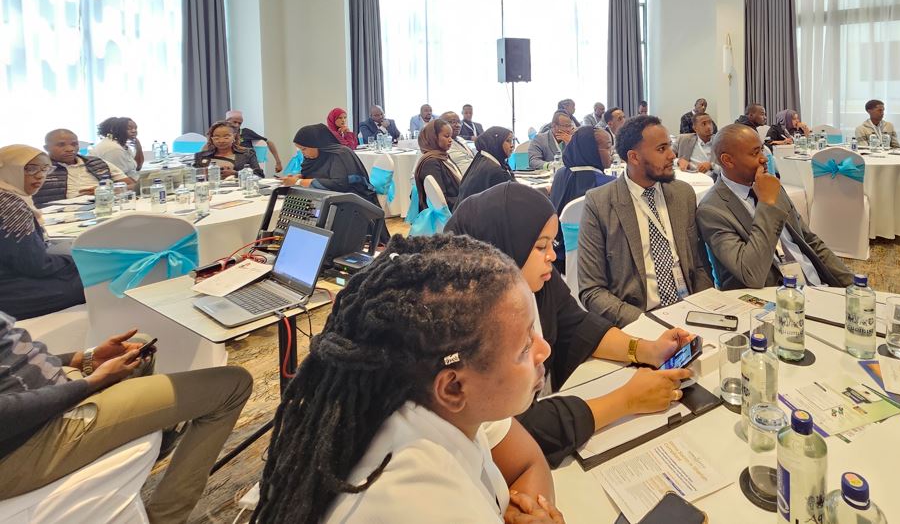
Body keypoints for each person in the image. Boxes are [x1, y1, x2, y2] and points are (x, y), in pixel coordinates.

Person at [251, 234, 562, 524]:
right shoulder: (427, 506)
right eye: (524, 347)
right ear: (452, 387)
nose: (544, 349)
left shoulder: (421, 400)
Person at [446, 184, 693, 466]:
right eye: (540, 246)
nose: (552, 256)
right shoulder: (467, 327)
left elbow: (577, 325)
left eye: (553, 244)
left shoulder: (538, 281)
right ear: (501, 248)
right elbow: (520, 430)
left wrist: (646, 350)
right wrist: (627, 400)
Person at [0, 314, 253, 523]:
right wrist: (92, 382)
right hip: (24, 441)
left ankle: (151, 441)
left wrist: (85, 358)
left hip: (43, 401)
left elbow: (15, 355)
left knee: (140, 346)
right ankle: (166, 519)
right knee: (233, 384)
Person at [578, 116, 713, 326]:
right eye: (661, 149)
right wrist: (649, 324)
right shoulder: (600, 203)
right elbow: (591, 290)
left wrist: (702, 309)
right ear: (634, 157)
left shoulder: (682, 194)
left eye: (669, 146)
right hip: (638, 319)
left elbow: (700, 264)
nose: (672, 155)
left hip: (691, 313)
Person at [697, 125, 855, 290]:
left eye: (762, 150)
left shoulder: (771, 186)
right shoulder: (712, 210)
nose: (764, 158)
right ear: (728, 160)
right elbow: (751, 274)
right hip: (770, 299)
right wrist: (767, 204)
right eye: (755, 153)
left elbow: (809, 240)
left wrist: (852, 284)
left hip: (814, 283)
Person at [0, 145, 85, 318]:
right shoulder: (9, 205)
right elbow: (35, 264)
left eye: (45, 169)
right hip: (9, 293)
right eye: (30, 169)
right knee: (95, 280)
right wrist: (73, 261)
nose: (40, 176)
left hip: (11, 277)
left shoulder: (9, 195)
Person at [548, 127, 615, 272]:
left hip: (558, 258)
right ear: (591, 150)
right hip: (597, 263)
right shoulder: (610, 185)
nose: (612, 152)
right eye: (608, 147)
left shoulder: (560, 175)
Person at [33, 129, 130, 208]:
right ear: (46, 148)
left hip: (102, 207)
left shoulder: (97, 162)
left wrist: (107, 190)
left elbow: (132, 184)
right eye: (61, 145)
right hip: (58, 215)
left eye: (74, 144)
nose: (70, 149)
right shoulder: (38, 169)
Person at [281, 124, 376, 204]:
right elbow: (315, 174)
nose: (303, 153)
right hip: (325, 200)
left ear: (316, 144)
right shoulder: (312, 158)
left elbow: (339, 185)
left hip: (353, 202)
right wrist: (299, 177)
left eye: (304, 149)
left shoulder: (339, 154)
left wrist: (298, 182)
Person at [414, 119, 462, 212]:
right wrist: (467, 202)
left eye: (451, 136)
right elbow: (440, 200)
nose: (450, 140)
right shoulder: (431, 162)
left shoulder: (443, 156)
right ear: (433, 137)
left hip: (457, 205)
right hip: (448, 213)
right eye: (446, 136)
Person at [458, 127, 516, 202]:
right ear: (496, 142)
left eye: (512, 141)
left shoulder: (482, 157)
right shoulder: (496, 171)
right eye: (508, 141)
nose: (512, 145)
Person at [193, 121, 264, 179]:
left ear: (234, 136)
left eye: (226, 137)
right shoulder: (201, 156)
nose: (221, 141)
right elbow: (192, 179)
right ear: (211, 139)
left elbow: (259, 176)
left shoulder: (247, 153)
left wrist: (236, 174)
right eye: (216, 138)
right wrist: (206, 174)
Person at [224, 110, 284, 174]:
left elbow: (269, 142)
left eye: (240, 123)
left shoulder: (246, 132)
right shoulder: (220, 135)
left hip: (244, 169)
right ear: (226, 122)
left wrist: (278, 162)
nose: (237, 125)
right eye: (234, 122)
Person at [90, 116, 143, 181]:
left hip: (130, 183)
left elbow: (137, 168)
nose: (134, 131)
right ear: (116, 130)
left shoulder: (123, 146)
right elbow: (119, 179)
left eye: (135, 128)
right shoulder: (114, 148)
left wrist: (138, 146)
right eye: (129, 128)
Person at [439, 111, 475, 176]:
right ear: (440, 126)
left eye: (459, 122)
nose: (458, 125)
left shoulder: (461, 140)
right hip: (463, 180)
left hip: (476, 174)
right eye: (453, 122)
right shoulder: (438, 144)